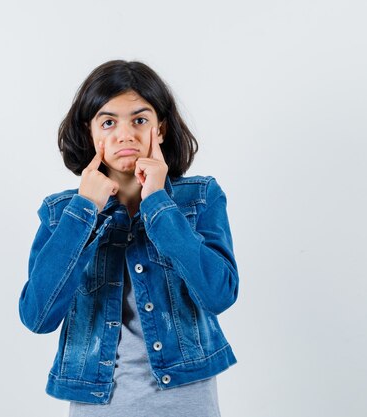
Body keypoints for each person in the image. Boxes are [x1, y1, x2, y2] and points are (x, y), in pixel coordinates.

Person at [18, 59, 239, 417]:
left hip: (186, 403)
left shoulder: (199, 198)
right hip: (99, 404)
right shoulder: (62, 213)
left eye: (140, 120)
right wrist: (84, 208)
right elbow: (38, 316)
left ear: (161, 129)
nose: (125, 135)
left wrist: (158, 204)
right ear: (90, 133)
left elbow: (219, 294)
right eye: (108, 122)